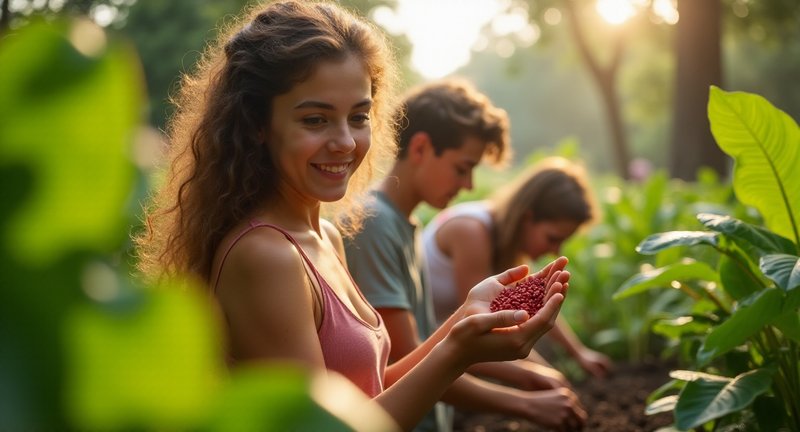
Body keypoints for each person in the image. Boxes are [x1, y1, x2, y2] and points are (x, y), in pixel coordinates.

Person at [134, 2, 571, 431]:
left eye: (358, 117)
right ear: (256, 124)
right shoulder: (266, 255)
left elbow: (366, 400)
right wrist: (457, 352)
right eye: (315, 119)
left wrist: (464, 321)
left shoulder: (323, 234)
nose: (345, 142)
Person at [344, 79, 587, 432]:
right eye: (463, 167)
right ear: (421, 148)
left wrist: (529, 378)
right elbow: (405, 361)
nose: (470, 185)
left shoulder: (403, 223)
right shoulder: (374, 224)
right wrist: (525, 403)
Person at [423, 156, 613, 380]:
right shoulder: (470, 231)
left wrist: (579, 353)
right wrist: (544, 375)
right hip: (419, 348)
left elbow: (536, 300)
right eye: (552, 238)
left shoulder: (507, 242)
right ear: (527, 218)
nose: (555, 250)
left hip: (439, 343)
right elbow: (485, 326)